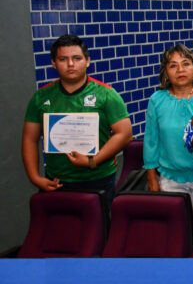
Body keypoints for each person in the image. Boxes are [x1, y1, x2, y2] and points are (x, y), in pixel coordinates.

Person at [21, 35, 132, 211]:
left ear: (87, 61)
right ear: (53, 63)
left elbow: (124, 134)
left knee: (100, 234)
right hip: (55, 181)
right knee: (62, 234)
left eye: (77, 58)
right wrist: (35, 178)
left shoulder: (106, 94)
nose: (70, 64)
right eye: (63, 59)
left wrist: (92, 161)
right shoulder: (41, 97)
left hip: (98, 179)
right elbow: (29, 139)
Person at [143, 44, 193, 226]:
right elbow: (151, 141)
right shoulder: (157, 100)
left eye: (185, 63)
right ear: (165, 71)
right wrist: (151, 179)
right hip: (170, 180)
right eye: (173, 65)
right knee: (176, 231)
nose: (180, 69)